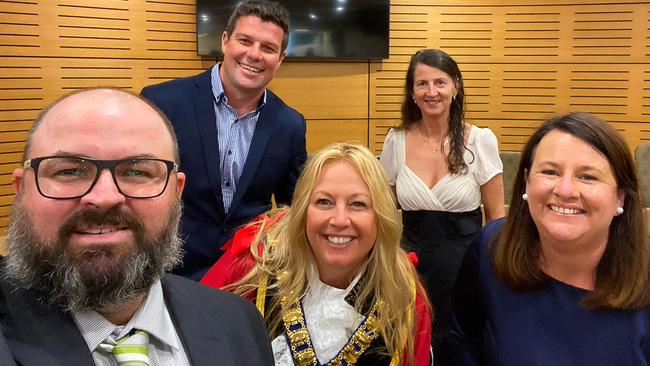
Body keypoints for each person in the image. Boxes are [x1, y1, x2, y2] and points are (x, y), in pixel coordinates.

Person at [0, 88, 274, 365]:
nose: (104, 197)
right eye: (69, 171)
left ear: (176, 192)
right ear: (21, 189)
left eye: (137, 172)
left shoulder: (240, 323)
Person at [201, 142, 433, 365]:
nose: (339, 220)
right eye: (324, 202)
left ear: (380, 217)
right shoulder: (254, 266)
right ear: (303, 210)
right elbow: (195, 335)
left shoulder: (403, 295)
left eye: (358, 204)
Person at [446, 112, 650, 365]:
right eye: (550, 172)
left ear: (620, 197)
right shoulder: (491, 247)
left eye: (588, 176)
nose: (565, 191)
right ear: (526, 183)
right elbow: (463, 342)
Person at [141, 0, 307, 280]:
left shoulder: (289, 124)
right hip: (169, 273)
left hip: (247, 278)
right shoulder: (162, 103)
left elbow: (295, 207)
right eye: (245, 41)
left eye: (268, 48)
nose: (254, 54)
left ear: (280, 59)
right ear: (225, 41)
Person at [379, 48, 504, 356]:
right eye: (422, 84)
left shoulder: (480, 139)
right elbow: (380, 207)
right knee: (410, 343)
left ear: (455, 87)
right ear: (411, 92)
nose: (431, 92)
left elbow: (497, 216)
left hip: (465, 267)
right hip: (409, 269)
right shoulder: (396, 140)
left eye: (440, 82)